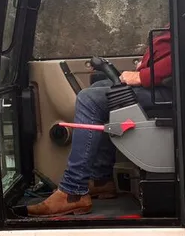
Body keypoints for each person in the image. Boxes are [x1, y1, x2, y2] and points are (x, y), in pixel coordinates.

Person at [27, 31, 172, 217]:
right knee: (97, 88)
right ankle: (100, 180)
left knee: (89, 99)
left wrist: (143, 76)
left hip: (170, 91)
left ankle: (73, 191)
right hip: (162, 86)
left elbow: (183, 57)